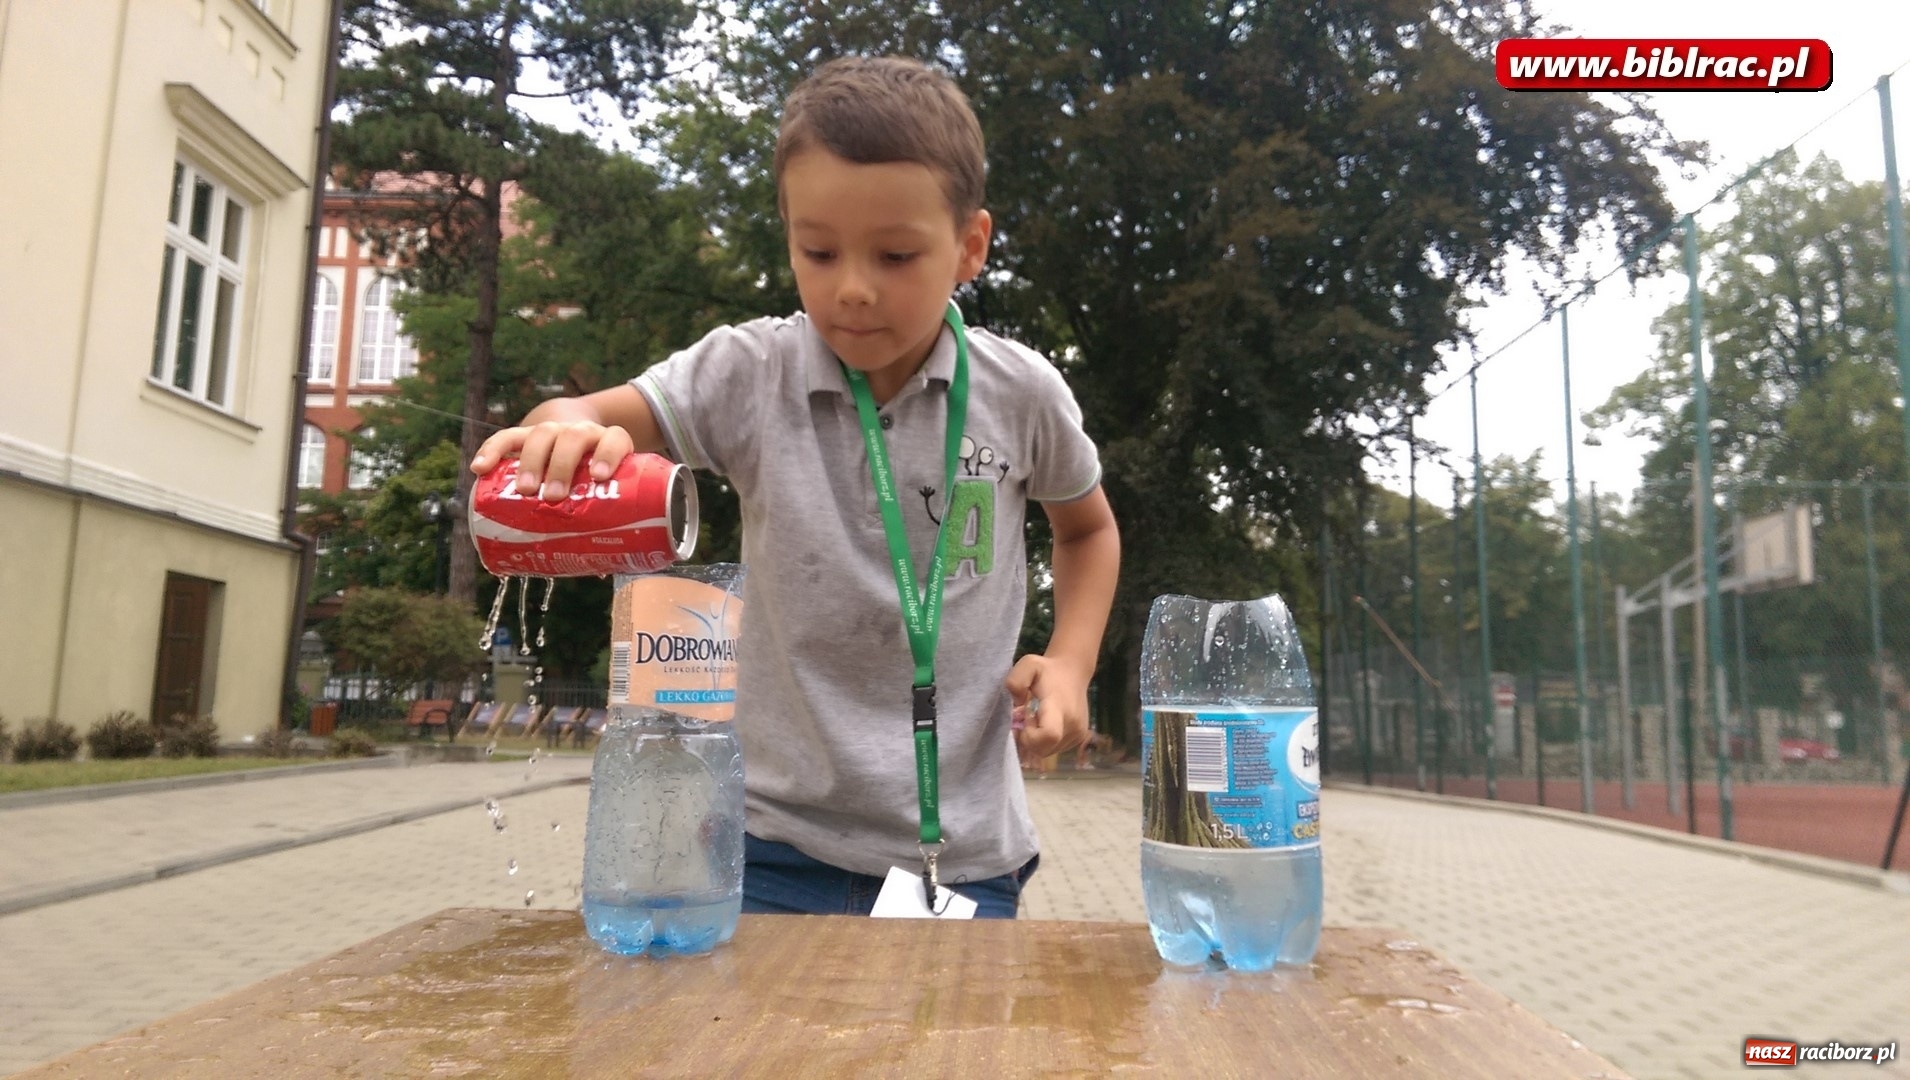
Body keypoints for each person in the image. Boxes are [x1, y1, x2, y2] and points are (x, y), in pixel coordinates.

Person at [470, 56, 1120, 919]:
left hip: (961, 857)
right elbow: (590, 411)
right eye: (818, 250)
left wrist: (1071, 663)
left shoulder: (1021, 393)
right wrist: (563, 426)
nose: (852, 287)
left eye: (896, 255)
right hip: (765, 847)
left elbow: (1088, 529)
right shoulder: (749, 372)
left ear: (970, 246)